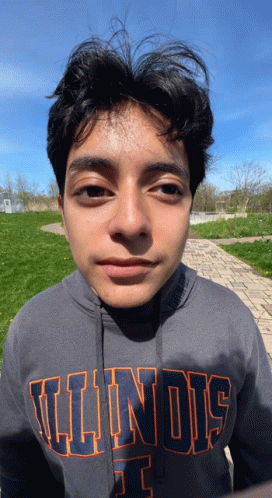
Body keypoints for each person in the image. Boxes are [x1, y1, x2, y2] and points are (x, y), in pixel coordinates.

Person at [0, 26, 272, 498]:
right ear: (63, 212)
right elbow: (19, 482)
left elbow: (263, 469)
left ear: (190, 205)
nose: (130, 222)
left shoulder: (232, 324)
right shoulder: (30, 332)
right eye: (92, 190)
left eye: (166, 188)